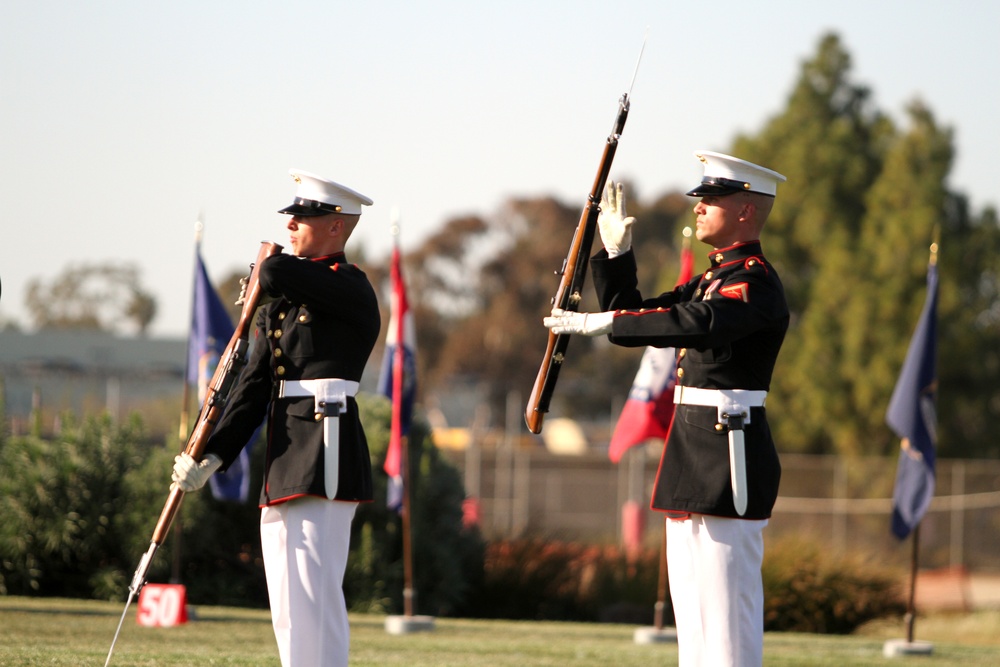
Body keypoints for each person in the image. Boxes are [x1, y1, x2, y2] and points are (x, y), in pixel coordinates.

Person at [544, 151, 789, 667]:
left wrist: (600, 323)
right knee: (694, 619)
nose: (698, 208)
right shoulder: (710, 279)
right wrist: (616, 256)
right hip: (692, 455)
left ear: (747, 209)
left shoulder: (755, 282)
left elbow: (696, 323)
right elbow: (645, 316)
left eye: (712, 200)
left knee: (728, 619)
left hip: (729, 457)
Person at [171, 168, 381, 667]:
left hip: (326, 451)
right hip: (284, 456)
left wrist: (268, 270)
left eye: (304, 216)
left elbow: (271, 272)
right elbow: (253, 387)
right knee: (287, 605)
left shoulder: (351, 288)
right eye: (290, 216)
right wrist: (214, 455)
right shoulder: (280, 307)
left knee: (317, 596)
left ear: (338, 226)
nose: (291, 225)